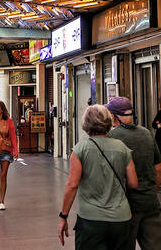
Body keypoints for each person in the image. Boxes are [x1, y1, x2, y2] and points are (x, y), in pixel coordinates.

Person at [58, 104, 137, 249]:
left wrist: (64, 216)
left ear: (86, 123)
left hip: (90, 220)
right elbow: (133, 183)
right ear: (109, 122)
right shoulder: (122, 148)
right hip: (121, 218)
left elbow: (72, 185)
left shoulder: (80, 149)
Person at [107, 97, 161, 249]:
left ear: (114, 117)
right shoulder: (146, 133)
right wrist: (152, 190)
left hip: (125, 205)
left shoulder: (112, 138)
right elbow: (159, 168)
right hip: (150, 202)